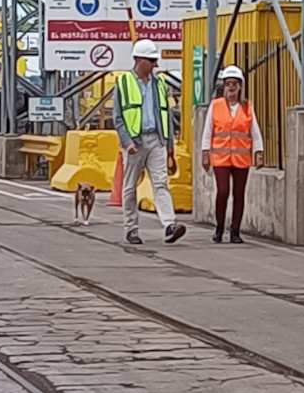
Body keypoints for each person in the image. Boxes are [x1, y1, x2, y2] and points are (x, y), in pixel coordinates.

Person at [113, 38, 186, 245]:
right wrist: (127, 142)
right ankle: (131, 229)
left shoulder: (159, 83)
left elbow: (166, 115)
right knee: (130, 187)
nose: (155, 64)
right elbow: (118, 117)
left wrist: (169, 145)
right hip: (134, 143)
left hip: (156, 140)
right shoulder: (123, 83)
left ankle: (170, 225)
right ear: (138, 60)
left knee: (161, 183)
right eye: (152, 60)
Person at [201, 65, 264, 244]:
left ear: (240, 86)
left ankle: (235, 230)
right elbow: (208, 131)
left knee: (239, 194)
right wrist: (205, 153)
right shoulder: (216, 105)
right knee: (222, 192)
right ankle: (219, 226)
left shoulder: (247, 107)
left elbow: (255, 131)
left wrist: (259, 152)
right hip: (220, 158)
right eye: (228, 84)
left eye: (234, 84)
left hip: (241, 158)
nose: (230, 87)